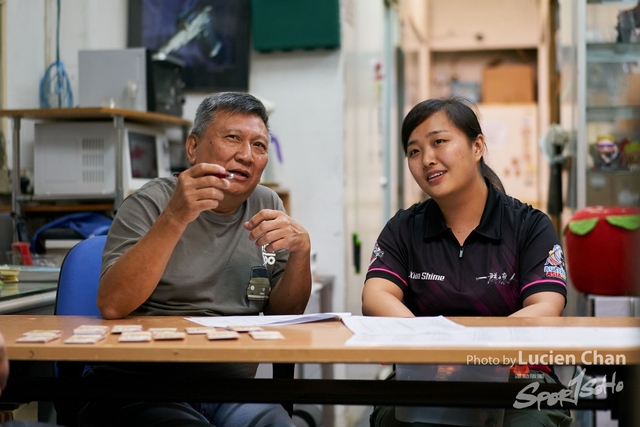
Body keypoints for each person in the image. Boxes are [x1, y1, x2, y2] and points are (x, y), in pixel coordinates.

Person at [79, 92, 312, 427]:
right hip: (144, 387)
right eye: (232, 138)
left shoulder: (268, 204)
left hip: (232, 391)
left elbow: (285, 313)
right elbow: (113, 304)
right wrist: (175, 216)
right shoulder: (150, 202)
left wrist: (301, 251)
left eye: (259, 145)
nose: (246, 155)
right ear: (193, 148)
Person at [362, 97, 573, 427]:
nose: (427, 159)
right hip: (426, 374)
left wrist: (474, 354)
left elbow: (546, 306)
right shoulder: (404, 228)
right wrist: (430, 349)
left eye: (439, 142)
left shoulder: (529, 226)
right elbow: (376, 295)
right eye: (414, 151)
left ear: (477, 147)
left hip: (518, 376)